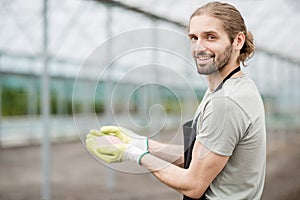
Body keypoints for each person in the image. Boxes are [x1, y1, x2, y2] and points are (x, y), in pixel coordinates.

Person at [85, 1, 266, 199]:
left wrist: (132, 153)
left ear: (238, 41)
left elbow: (193, 184)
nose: (199, 47)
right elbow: (197, 158)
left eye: (210, 37)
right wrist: (141, 143)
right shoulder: (227, 88)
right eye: (194, 38)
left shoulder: (228, 103)